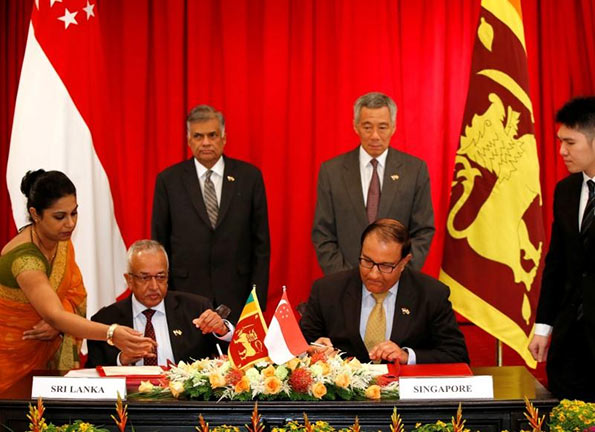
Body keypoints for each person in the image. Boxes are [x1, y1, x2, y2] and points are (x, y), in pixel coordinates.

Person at [0, 170, 155, 392]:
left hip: (45, 358)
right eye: (60, 216)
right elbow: (54, 315)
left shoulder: (59, 241)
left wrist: (59, 323)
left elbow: (73, 294)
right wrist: (111, 333)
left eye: (74, 213)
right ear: (35, 214)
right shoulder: (25, 260)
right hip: (9, 363)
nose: (70, 223)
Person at [152, 105, 270, 323]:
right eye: (198, 136)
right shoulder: (168, 181)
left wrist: (257, 301)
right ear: (189, 140)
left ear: (224, 138)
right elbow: (160, 244)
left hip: (238, 297)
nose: (206, 142)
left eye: (212, 135)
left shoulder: (249, 177)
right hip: (185, 298)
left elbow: (261, 247)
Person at [301, 218, 468, 364]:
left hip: (404, 395)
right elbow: (297, 348)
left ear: (404, 262)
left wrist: (406, 356)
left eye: (385, 266)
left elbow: (456, 354)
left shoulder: (430, 294)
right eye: (367, 261)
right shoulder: (327, 291)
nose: (373, 274)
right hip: (344, 396)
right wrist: (313, 349)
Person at [312, 92, 435, 274]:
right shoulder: (332, 172)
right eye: (367, 127)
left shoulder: (415, 171)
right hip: (345, 284)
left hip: (397, 282)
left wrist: (395, 274)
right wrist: (345, 278)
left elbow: (423, 231)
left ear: (393, 127)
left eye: (383, 127)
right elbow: (323, 233)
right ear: (356, 127)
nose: (375, 136)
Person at [529, 96, 595, 401]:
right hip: (570, 342)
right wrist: (543, 326)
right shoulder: (566, 190)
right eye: (560, 141)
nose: (561, 151)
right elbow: (556, 264)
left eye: (570, 142)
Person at [87, 240, 233, 367]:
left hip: (184, 397)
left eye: (160, 277)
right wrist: (122, 360)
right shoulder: (105, 320)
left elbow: (233, 355)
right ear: (129, 280)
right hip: (128, 397)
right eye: (145, 278)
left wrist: (223, 331)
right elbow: (94, 368)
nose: (154, 286)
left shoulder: (196, 308)